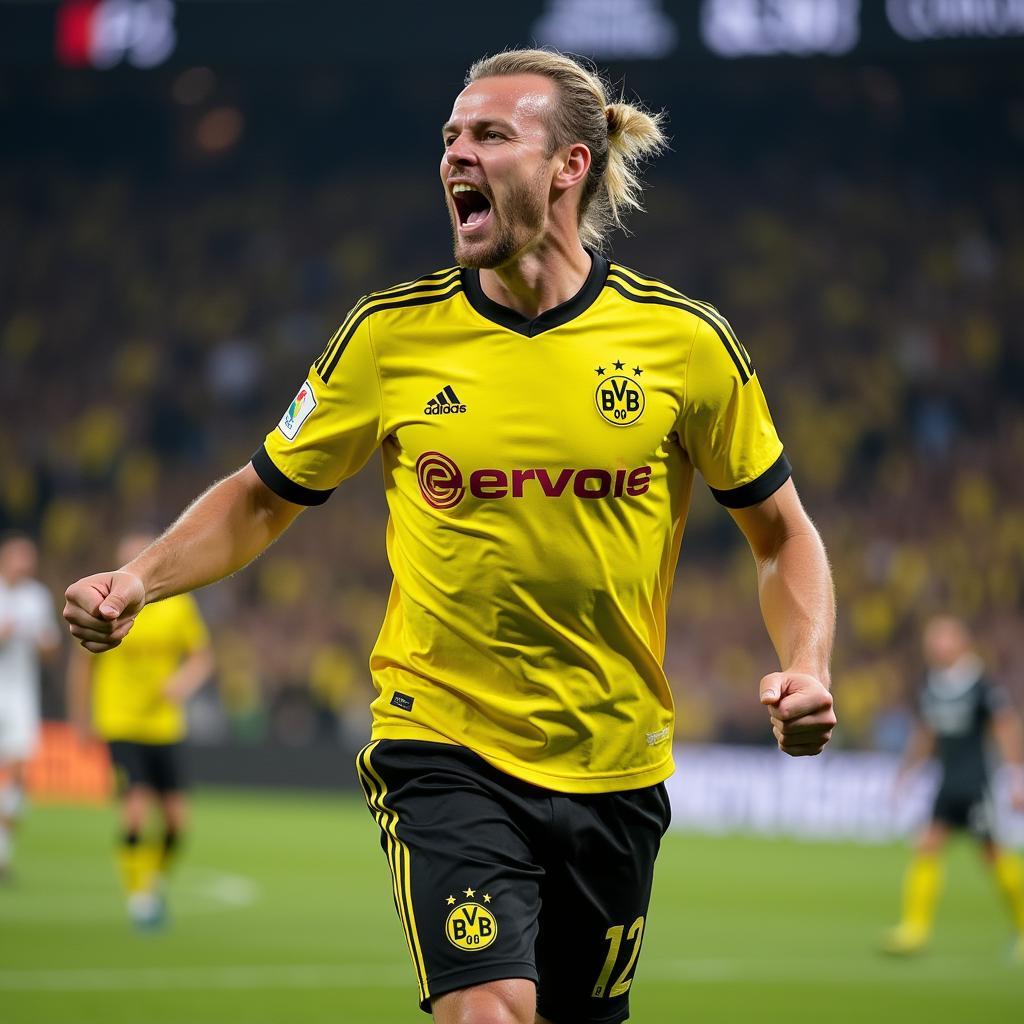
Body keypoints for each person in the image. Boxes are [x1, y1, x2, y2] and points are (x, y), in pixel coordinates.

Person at [63, 49, 836, 1024]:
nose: (454, 156)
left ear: (569, 165)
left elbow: (781, 536)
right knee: (488, 1008)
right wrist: (139, 578)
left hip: (614, 762)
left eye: (488, 135)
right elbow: (262, 496)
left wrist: (806, 662)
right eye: (449, 138)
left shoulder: (684, 344)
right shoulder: (388, 336)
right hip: (444, 742)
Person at [67, 532, 214, 927]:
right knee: (134, 810)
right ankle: (139, 899)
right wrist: (80, 718)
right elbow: (83, 663)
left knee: (175, 824)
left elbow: (202, 657)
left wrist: (183, 682)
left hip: (164, 725)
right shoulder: (105, 606)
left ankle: (153, 884)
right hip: (121, 721)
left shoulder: (178, 605)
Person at [884, 615, 1024, 960]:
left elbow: (1006, 729)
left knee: (993, 857)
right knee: (926, 847)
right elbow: (926, 734)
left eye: (943, 639)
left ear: (962, 643)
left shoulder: (982, 686)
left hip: (978, 785)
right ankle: (914, 930)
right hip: (947, 784)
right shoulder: (933, 685)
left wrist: (1016, 777)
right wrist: (906, 774)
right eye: (933, 640)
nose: (936, 646)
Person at [0, 533, 60, 880]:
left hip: (20, 695)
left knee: (20, 772)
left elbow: (50, 650)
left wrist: (44, 644)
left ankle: (3, 852)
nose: (26, 565)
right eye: (20, 558)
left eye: (30, 559)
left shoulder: (36, 597)